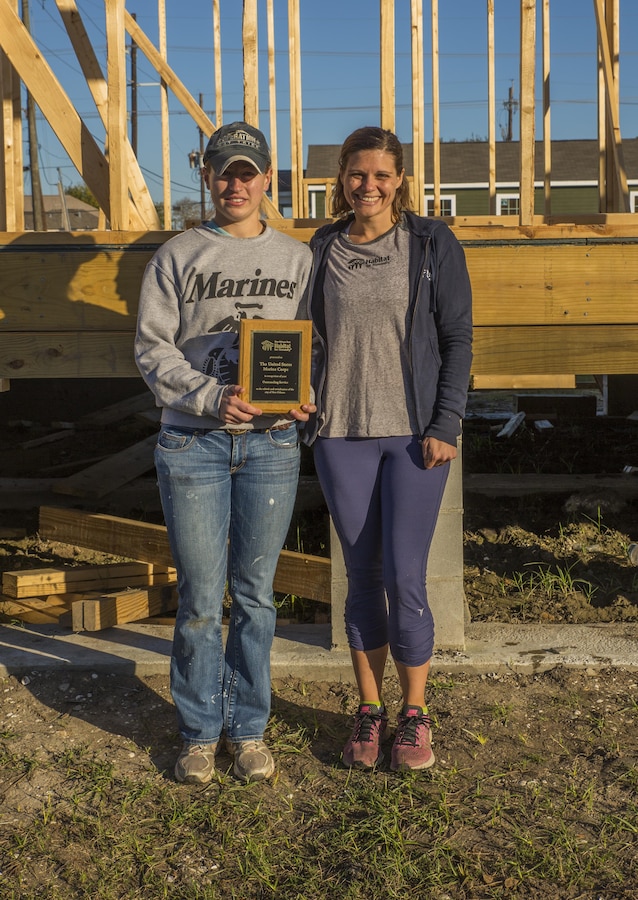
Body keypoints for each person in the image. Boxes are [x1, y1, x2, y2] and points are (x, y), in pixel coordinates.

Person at [135, 122, 313, 784]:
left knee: (256, 594)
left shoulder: (297, 259)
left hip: (269, 443)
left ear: (268, 179)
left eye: (248, 172)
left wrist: (304, 392)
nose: (236, 183)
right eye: (223, 172)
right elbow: (151, 348)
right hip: (193, 442)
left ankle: (249, 728)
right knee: (202, 598)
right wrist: (209, 398)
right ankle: (200, 730)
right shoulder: (177, 254)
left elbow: (311, 344)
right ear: (207, 177)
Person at [304, 126, 473, 772]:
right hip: (340, 433)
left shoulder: (432, 243)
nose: (367, 186)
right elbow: (298, 336)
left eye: (380, 175)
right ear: (340, 177)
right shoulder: (322, 247)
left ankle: (415, 714)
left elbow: (457, 338)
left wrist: (447, 422)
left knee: (406, 577)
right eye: (356, 174)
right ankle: (370, 711)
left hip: (413, 438)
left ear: (399, 178)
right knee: (360, 579)